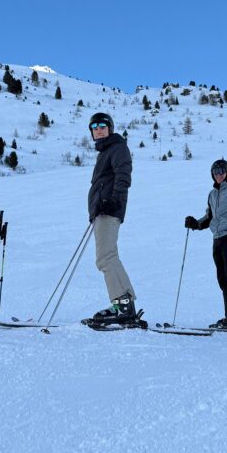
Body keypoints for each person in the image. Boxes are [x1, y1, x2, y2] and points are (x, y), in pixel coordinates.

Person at [83, 112, 140, 327]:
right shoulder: (106, 151)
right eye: (94, 126)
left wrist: (113, 201)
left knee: (105, 257)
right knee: (107, 257)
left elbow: (123, 175)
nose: (98, 129)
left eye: (102, 126)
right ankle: (125, 304)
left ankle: (122, 306)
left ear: (110, 128)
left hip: (109, 209)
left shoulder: (117, 148)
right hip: (102, 210)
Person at [184, 159, 227, 329]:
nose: (219, 175)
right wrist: (196, 224)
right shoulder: (212, 194)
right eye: (216, 172)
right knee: (223, 279)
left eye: (222, 171)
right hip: (218, 239)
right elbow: (210, 217)